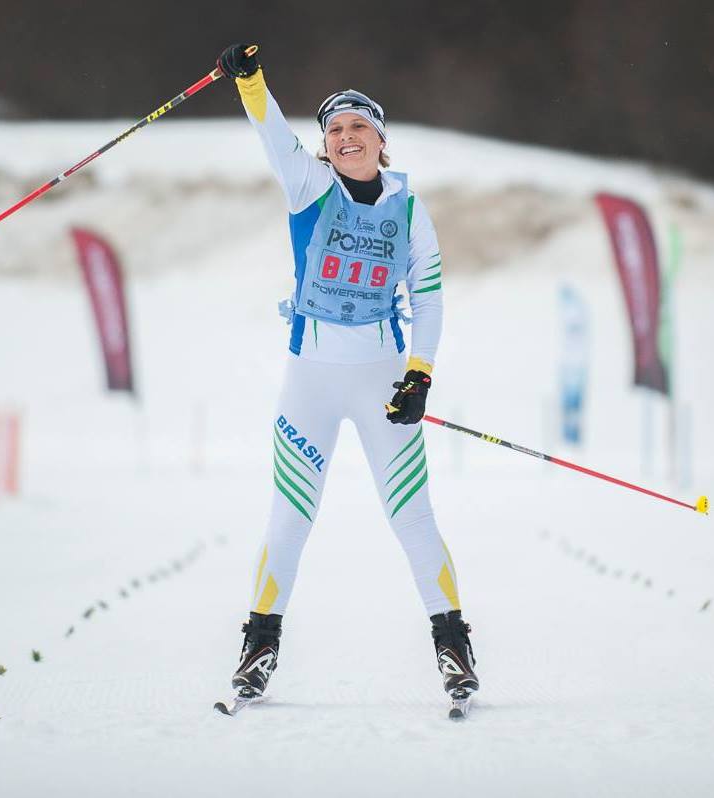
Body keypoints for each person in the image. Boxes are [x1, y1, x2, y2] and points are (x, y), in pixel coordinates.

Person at [216, 44, 479, 704]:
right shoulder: (307, 185)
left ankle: (453, 647)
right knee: (289, 520)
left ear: (381, 142)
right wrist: (252, 81)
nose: (345, 137)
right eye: (334, 129)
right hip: (310, 382)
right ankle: (258, 649)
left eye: (358, 127)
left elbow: (431, 297)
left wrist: (418, 376)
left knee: (413, 518)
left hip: (382, 383)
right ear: (324, 147)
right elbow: (271, 130)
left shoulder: (411, 211)